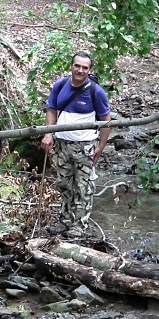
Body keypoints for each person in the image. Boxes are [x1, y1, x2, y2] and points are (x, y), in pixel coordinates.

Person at [41, 51, 112, 237]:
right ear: (71, 66)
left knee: (84, 186)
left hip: (85, 146)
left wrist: (101, 147)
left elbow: (106, 120)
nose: (80, 70)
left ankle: (79, 225)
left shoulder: (96, 91)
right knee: (64, 183)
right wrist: (48, 134)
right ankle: (64, 220)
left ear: (89, 70)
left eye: (84, 67)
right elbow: (52, 109)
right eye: (77, 66)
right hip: (62, 144)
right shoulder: (61, 85)